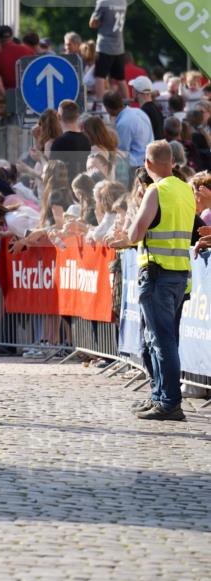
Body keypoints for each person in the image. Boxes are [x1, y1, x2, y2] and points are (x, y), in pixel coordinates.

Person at [110, 140, 196, 421]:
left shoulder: (155, 191)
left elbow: (135, 234)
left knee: (161, 341)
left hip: (157, 274)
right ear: (171, 161)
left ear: (147, 164)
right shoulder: (185, 189)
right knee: (158, 339)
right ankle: (160, 396)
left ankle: (170, 402)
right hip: (179, 274)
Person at [89, 0, 129, 103]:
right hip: (119, 45)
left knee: (99, 76)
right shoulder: (123, 1)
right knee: (120, 78)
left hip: (105, 44)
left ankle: (100, 104)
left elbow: (92, 23)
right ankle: (128, 102)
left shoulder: (103, 2)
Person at [103, 89, 153, 180]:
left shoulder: (123, 123)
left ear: (107, 108)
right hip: (148, 162)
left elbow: (122, 152)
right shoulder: (139, 112)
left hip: (136, 168)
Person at [49, 99, 92, 179]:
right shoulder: (87, 140)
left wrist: (41, 158)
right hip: (84, 188)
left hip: (65, 189)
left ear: (58, 116)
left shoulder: (59, 143)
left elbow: (53, 173)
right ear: (78, 115)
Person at [0, 25, 32, 94]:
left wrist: (8, 99)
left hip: (11, 95)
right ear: (12, 36)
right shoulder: (27, 50)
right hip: (29, 94)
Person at [131, 76, 164, 140]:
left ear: (136, 91)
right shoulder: (156, 109)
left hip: (151, 148)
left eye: (133, 88)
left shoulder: (143, 112)